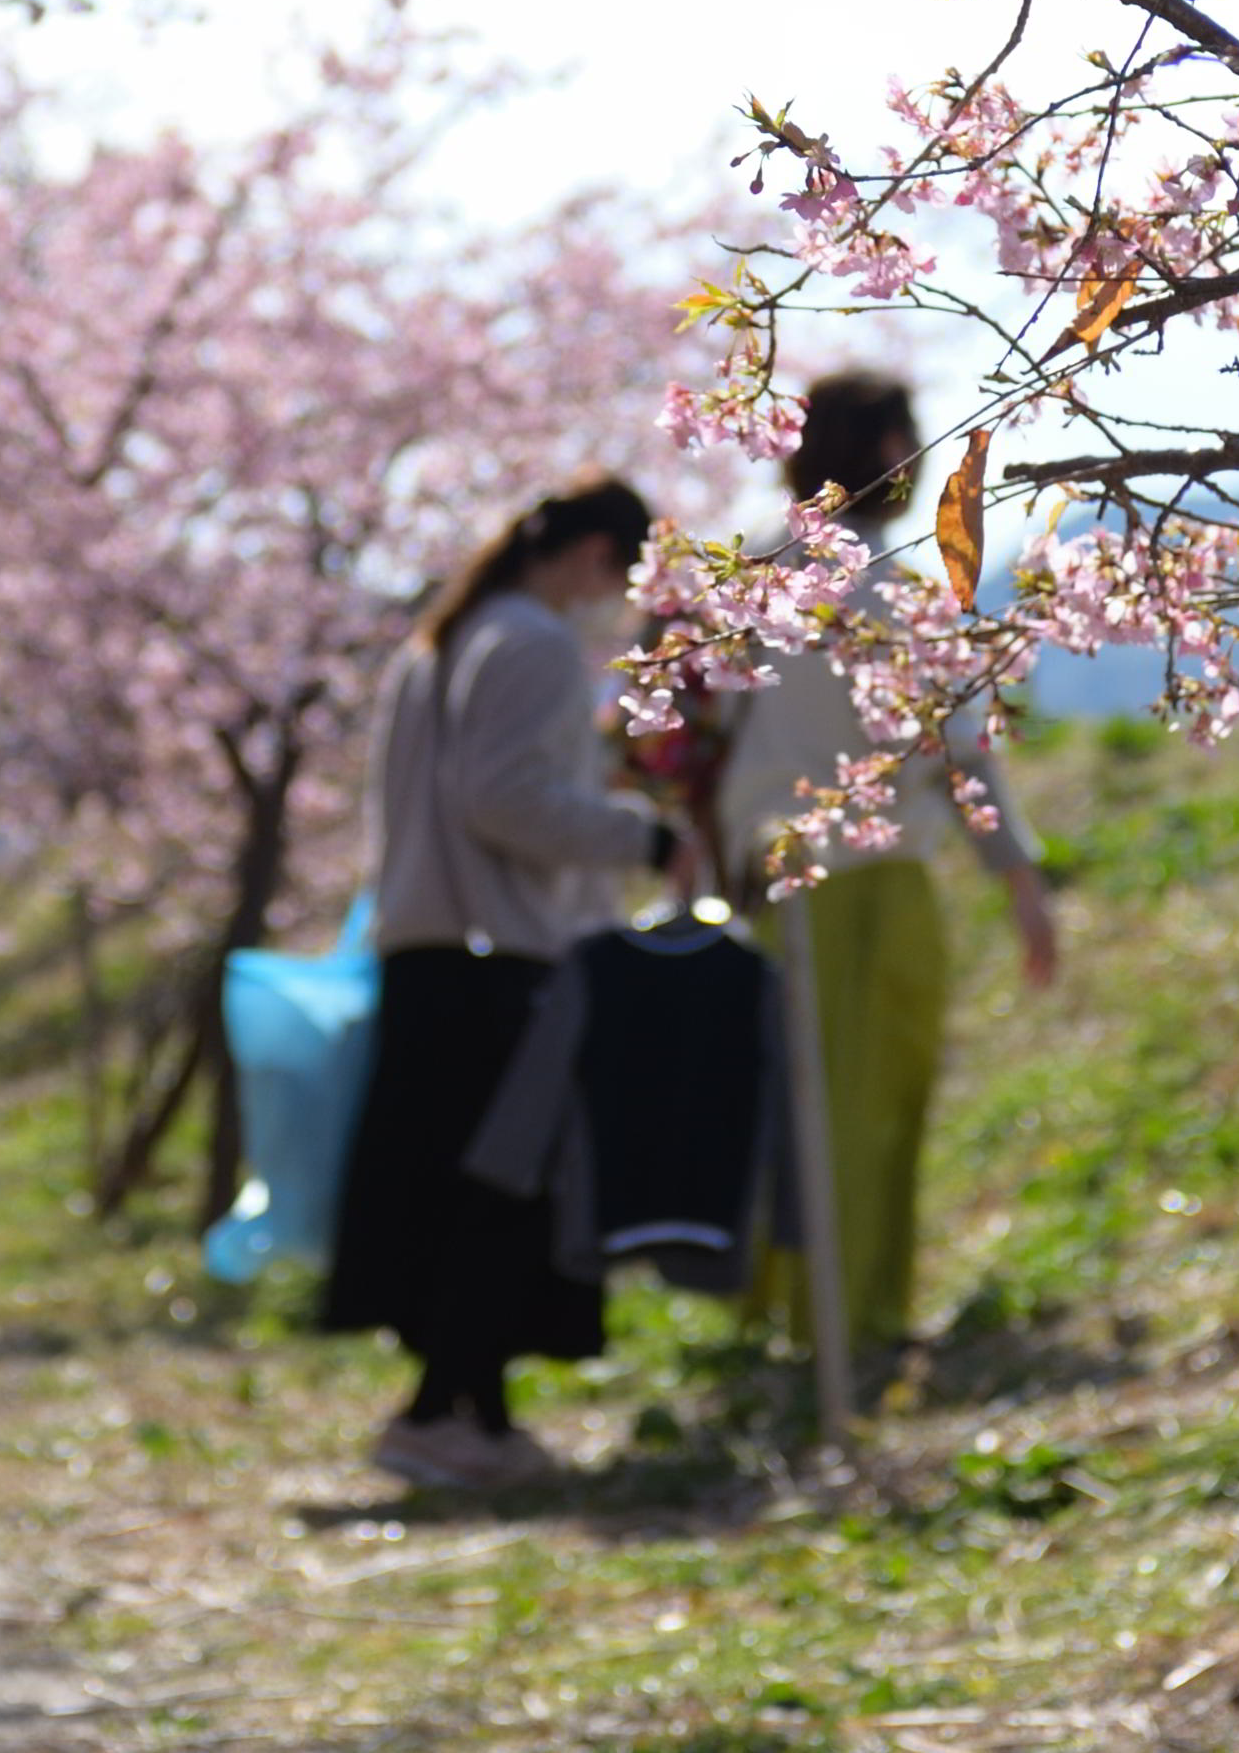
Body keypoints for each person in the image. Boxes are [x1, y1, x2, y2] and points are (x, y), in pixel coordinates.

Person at [322, 475, 685, 1493]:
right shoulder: (529, 642)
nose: (614, 597)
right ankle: (443, 1413)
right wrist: (641, 834)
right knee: (500, 1195)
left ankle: (466, 1413)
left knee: (452, 1194)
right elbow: (504, 797)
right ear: (588, 555)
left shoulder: (439, 640)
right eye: (621, 572)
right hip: (502, 957)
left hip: (427, 948)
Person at [716, 374, 1063, 1364]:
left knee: (790, 1095)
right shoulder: (888, 579)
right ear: (879, 451)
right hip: (871, 871)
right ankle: (854, 1318)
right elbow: (956, 747)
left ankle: (772, 1313)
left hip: (766, 872)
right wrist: (1019, 879)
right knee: (870, 1103)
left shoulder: (749, 568)